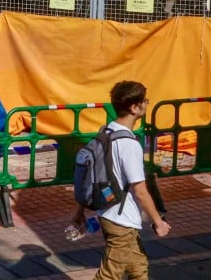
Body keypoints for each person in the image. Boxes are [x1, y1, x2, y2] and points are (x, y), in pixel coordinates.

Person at [73, 80, 171, 280]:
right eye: (145, 101)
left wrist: (79, 211)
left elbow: (91, 176)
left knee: (138, 267)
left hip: (108, 212)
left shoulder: (106, 131)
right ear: (135, 107)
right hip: (121, 220)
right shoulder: (129, 145)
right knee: (110, 275)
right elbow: (140, 191)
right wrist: (158, 221)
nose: (146, 104)